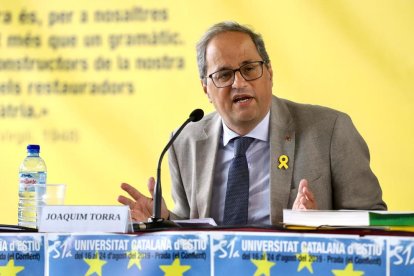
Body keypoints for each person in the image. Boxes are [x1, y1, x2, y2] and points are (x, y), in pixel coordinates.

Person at [118, 21, 387, 225]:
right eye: (224, 74)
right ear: (205, 89)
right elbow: (189, 231)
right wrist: (162, 220)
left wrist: (317, 225)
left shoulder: (329, 130)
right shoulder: (184, 142)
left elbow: (374, 221)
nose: (239, 83)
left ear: (269, 73)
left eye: (249, 69)